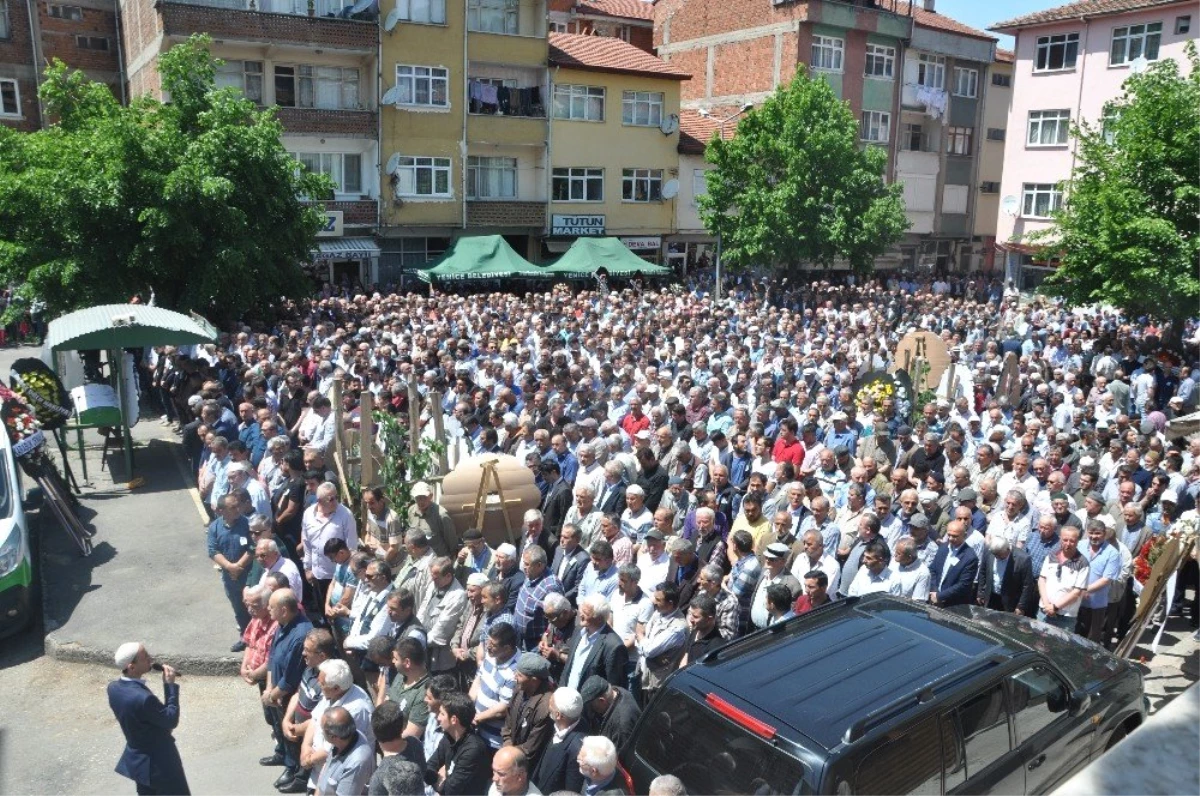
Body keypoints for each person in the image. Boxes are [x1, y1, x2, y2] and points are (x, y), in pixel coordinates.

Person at [107, 642, 190, 796]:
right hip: (161, 765)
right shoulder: (143, 698)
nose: (151, 658)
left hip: (140, 765)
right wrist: (170, 686)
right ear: (132, 667)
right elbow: (170, 720)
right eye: (145, 657)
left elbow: (138, 719)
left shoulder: (113, 689)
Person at [262, 589, 314, 793]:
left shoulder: (301, 634)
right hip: (274, 691)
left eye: (271, 606)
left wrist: (273, 695)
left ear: (284, 610)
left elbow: (291, 677)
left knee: (291, 731)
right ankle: (283, 755)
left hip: (287, 694)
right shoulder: (281, 624)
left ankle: (294, 769)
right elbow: (272, 655)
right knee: (277, 726)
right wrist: (268, 688)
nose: (268, 609)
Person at [302, 482, 359, 614]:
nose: (336, 501)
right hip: (318, 574)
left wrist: (349, 574)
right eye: (331, 499)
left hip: (338, 576)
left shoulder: (345, 515)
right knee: (323, 610)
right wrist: (307, 568)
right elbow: (307, 543)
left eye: (336, 497)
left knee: (337, 612)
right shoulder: (308, 514)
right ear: (320, 501)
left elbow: (352, 547)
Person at [208, 493, 253, 652]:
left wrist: (238, 566)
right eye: (233, 507)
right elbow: (213, 551)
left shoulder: (247, 524)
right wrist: (230, 567)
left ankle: (256, 640)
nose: (237, 509)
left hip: (248, 575)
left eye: (238, 505)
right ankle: (244, 638)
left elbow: (252, 547)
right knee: (238, 608)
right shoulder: (215, 527)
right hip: (230, 577)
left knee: (253, 607)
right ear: (222, 511)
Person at [425, 691, 493, 796]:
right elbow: (429, 767)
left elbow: (451, 790)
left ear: (453, 720)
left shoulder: (473, 750)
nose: (438, 718)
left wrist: (439, 781)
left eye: (442, 714)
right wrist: (438, 780)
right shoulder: (448, 737)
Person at [501, 653, 556, 772]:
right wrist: (507, 742)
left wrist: (509, 753)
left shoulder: (545, 707)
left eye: (520, 675)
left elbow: (531, 747)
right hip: (511, 752)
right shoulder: (520, 688)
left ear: (534, 680)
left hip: (526, 765)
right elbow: (509, 719)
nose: (515, 677)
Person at [560, 594, 628, 691]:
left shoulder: (613, 646)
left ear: (599, 618)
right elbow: (568, 668)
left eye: (586, 613)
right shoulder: (579, 631)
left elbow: (614, 687)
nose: (580, 615)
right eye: (581, 610)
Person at [472, 622, 521, 750]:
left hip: (493, 740)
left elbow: (503, 708)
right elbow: (478, 679)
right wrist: (468, 707)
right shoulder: (491, 654)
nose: (488, 647)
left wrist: (476, 718)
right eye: (488, 642)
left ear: (507, 648)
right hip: (476, 727)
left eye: (493, 645)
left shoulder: (515, 671)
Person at [637, 582, 688, 702]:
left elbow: (649, 650)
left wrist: (640, 636)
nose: (654, 602)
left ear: (670, 604)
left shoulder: (677, 628)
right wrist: (644, 640)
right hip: (645, 676)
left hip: (657, 686)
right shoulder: (659, 612)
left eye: (658, 599)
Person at [419, 556, 471, 673]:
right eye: (432, 576)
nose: (432, 580)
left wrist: (418, 641)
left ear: (448, 576)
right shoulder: (435, 584)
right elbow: (423, 608)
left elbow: (442, 630)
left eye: (436, 578)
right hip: (422, 645)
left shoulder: (457, 596)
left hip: (438, 657)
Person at [1037, 525, 1090, 630]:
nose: (1068, 544)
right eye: (1065, 540)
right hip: (1044, 611)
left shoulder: (1083, 563)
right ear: (1060, 539)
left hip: (1065, 617)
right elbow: (1042, 580)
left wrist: (1055, 607)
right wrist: (1047, 605)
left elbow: (1076, 592)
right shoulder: (1051, 556)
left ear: (1077, 542)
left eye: (1072, 541)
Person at [317, 706, 376, 796]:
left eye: (322, 729)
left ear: (333, 737)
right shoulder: (345, 737)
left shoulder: (356, 763)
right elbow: (323, 777)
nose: (321, 732)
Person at [369, 700, 426, 794]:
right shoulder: (415, 743)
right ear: (403, 727)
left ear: (374, 733)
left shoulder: (378, 777)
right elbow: (423, 771)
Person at [975, 535, 1038, 616]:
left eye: (999, 555)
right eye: (995, 555)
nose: (997, 557)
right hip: (991, 597)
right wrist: (980, 592)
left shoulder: (1023, 559)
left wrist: (1021, 606)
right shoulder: (989, 551)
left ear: (1008, 549)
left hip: (1010, 602)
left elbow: (1027, 585)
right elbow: (983, 572)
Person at [928, 520, 980, 608]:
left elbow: (963, 585)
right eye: (949, 535)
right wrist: (934, 592)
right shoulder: (943, 548)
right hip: (933, 599)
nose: (951, 538)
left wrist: (940, 596)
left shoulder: (970, 557)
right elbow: (933, 569)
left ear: (965, 535)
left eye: (955, 536)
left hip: (953, 605)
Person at [408, 481, 460, 559]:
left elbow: (451, 541)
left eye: (424, 497)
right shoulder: (411, 511)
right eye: (418, 498)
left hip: (438, 560)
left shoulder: (441, 515)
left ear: (431, 496)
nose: (421, 501)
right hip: (419, 559)